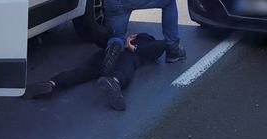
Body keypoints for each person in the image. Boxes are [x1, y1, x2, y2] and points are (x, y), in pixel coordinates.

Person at [23, 33, 165, 110]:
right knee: (126, 68)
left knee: (82, 72)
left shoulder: (126, 40)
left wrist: (125, 41)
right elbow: (161, 46)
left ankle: (53, 82)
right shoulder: (143, 46)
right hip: (125, 55)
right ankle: (114, 82)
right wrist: (133, 47)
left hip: (105, 55)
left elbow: (98, 38)